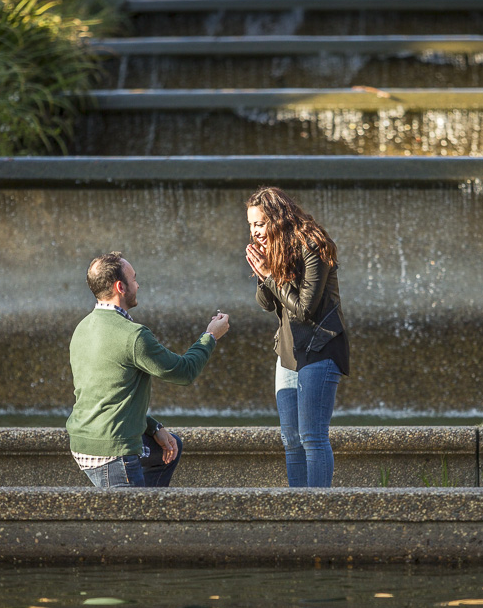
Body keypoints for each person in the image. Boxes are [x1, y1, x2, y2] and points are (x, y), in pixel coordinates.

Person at [66, 252, 229, 488]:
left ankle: (151, 504)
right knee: (133, 524)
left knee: (170, 447)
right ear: (121, 286)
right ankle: (147, 514)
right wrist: (211, 336)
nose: (138, 284)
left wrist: (153, 427)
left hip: (82, 441)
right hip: (111, 450)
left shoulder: (82, 327)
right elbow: (184, 372)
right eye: (134, 279)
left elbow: (105, 396)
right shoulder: (132, 336)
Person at [245, 187, 350, 488]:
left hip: (320, 348)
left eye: (260, 223)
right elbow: (267, 305)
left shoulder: (312, 244)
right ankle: (297, 509)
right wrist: (263, 272)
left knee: (312, 437)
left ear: (278, 218)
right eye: (252, 225)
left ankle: (317, 512)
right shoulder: (274, 249)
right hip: (289, 354)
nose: (255, 231)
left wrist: (268, 275)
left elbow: (305, 309)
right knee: (291, 440)